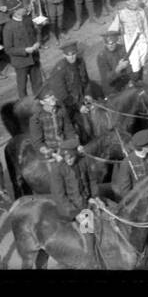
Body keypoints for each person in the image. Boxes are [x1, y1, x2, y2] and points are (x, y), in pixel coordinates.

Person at [28, 85, 87, 219]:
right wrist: (53, 154)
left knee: (82, 168)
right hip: (50, 152)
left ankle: (84, 204)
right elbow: (38, 143)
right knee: (58, 186)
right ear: (42, 102)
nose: (52, 98)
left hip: (65, 148)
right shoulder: (36, 118)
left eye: (52, 96)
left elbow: (69, 130)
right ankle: (70, 214)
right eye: (48, 98)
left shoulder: (61, 111)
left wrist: (76, 145)